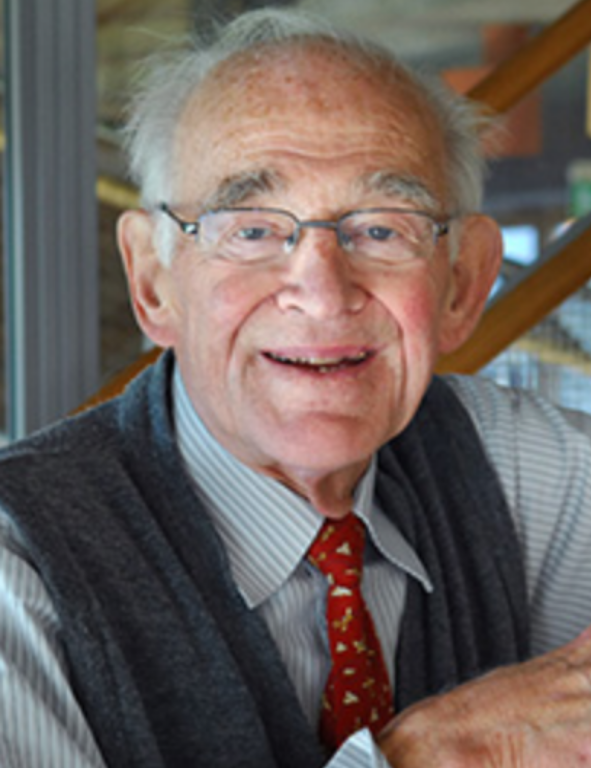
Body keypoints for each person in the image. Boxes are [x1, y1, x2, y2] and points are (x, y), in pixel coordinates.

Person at [1, 7, 591, 767]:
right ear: (152, 285)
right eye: (249, 228)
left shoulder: (519, 468)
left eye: (381, 227)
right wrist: (427, 754)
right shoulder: (21, 566)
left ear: (464, 286)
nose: (321, 289)